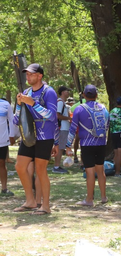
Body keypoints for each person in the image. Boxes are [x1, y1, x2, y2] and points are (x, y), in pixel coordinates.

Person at [12, 63, 58, 215]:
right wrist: (19, 105)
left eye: (31, 74)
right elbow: (15, 120)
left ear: (40, 76)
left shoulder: (49, 92)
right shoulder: (26, 92)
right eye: (27, 74)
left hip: (45, 136)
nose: (28, 76)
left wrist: (33, 103)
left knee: (40, 170)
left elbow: (51, 116)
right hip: (29, 136)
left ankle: (45, 206)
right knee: (20, 166)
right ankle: (30, 201)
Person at [66, 84, 110, 206]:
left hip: (87, 144)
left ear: (84, 95)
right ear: (96, 95)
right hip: (101, 143)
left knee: (90, 171)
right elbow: (107, 126)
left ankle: (89, 199)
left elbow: (73, 129)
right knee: (101, 171)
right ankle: (103, 197)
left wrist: (68, 145)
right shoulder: (104, 108)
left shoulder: (79, 109)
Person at [53, 86, 72, 173]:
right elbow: (58, 115)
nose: (68, 92)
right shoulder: (60, 102)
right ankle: (56, 167)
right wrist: (69, 118)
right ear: (62, 92)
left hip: (64, 128)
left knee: (61, 147)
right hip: (62, 128)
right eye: (67, 91)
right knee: (60, 148)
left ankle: (57, 165)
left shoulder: (63, 102)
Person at [0, 96, 12, 196]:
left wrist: (11, 135)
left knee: (2, 163)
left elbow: (12, 120)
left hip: (2, 140)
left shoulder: (5, 104)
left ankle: (4, 188)